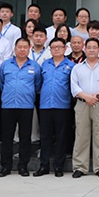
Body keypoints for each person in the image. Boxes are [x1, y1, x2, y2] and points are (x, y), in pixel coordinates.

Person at [0, 38, 41, 177]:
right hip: (8, 105)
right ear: (15, 49)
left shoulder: (35, 66)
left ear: (29, 49)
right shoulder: (6, 65)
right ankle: (6, 167)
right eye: (19, 47)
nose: (22, 50)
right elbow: (1, 83)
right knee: (7, 137)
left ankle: (23, 166)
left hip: (26, 106)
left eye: (25, 47)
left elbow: (37, 85)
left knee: (25, 137)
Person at [70, 38, 99, 178]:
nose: (92, 50)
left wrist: (97, 95)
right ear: (85, 49)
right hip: (82, 104)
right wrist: (86, 96)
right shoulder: (77, 68)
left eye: (95, 47)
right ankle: (80, 167)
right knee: (81, 135)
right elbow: (74, 86)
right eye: (89, 47)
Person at [36, 37, 73, 177]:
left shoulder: (71, 66)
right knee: (45, 137)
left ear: (65, 48)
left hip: (62, 106)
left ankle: (58, 166)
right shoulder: (45, 64)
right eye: (53, 47)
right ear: (50, 50)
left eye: (59, 47)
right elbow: (38, 83)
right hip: (45, 105)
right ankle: (43, 166)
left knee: (61, 137)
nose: (56, 49)